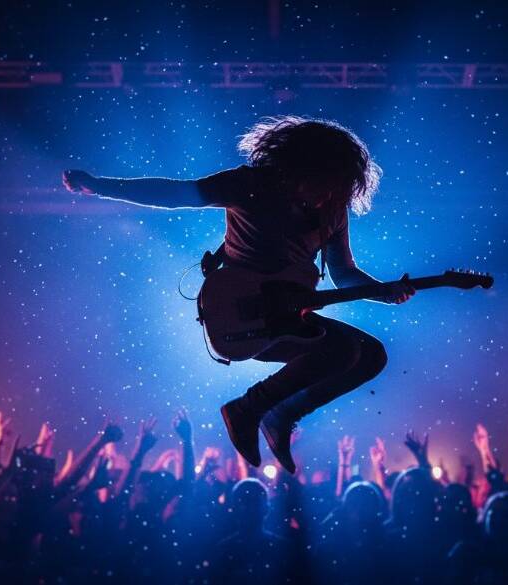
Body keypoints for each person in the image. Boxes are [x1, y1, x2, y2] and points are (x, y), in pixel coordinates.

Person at [63, 115, 415, 473]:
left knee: (371, 355)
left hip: (287, 318)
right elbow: (175, 194)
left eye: (337, 189)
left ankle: (281, 414)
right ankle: (248, 408)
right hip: (240, 316)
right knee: (342, 350)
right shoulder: (251, 185)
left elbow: (342, 273)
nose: (327, 196)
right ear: (304, 168)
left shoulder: (332, 210)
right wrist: (100, 186)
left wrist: (382, 293)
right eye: (324, 184)